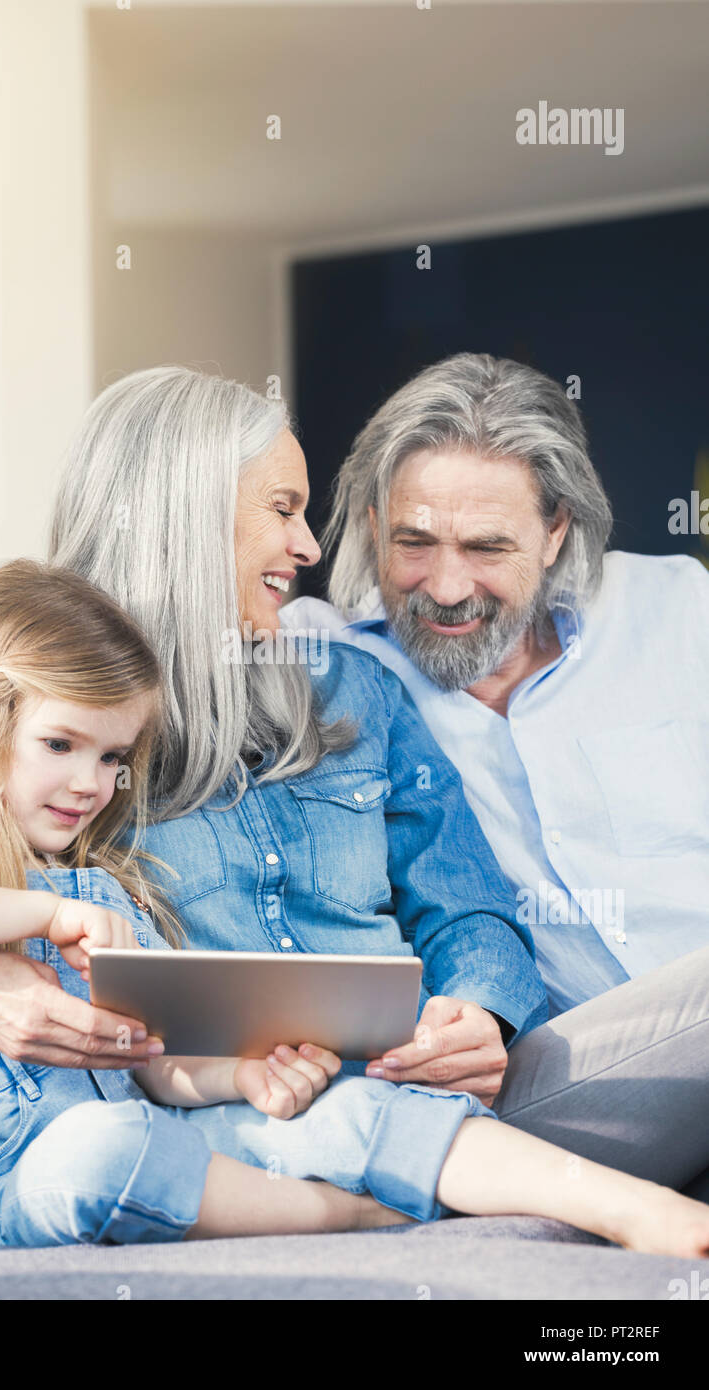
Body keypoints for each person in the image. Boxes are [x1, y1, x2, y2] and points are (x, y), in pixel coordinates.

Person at [0, 558, 708, 1255]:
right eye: (59, 744)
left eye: (114, 756)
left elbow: (158, 1063)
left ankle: (632, 1208)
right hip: (10, 1173)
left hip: (157, 1128)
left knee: (347, 1105)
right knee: (99, 1156)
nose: (91, 783)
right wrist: (35, 917)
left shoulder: (109, 885)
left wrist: (242, 1076)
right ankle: (363, 1220)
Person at [281, 350, 709, 1197]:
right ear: (371, 523)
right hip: (551, 1080)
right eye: (412, 542)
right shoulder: (319, 665)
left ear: (555, 530)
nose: (444, 586)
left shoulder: (676, 610)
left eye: (485, 547)